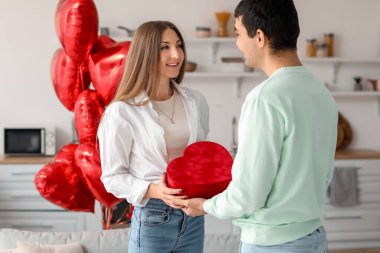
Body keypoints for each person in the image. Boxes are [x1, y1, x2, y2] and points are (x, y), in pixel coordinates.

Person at [174, 0, 338, 252]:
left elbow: (248, 194)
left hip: (274, 243)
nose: (237, 43)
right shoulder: (320, 91)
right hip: (313, 237)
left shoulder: (266, 97)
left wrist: (204, 206)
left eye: (238, 34)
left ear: (259, 37)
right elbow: (323, 174)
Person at [97, 21, 209, 253]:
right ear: (146, 53)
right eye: (164, 47)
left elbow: (199, 157)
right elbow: (112, 177)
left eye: (179, 46)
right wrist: (155, 190)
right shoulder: (123, 111)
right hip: (153, 217)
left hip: (193, 217)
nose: (176, 54)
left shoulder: (196, 101)